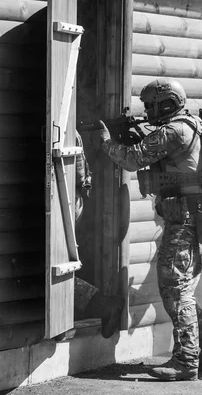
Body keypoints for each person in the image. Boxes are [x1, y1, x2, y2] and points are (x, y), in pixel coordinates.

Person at [91, 78, 202, 381]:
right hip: (192, 215)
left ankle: (186, 361)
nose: (150, 111)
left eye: (152, 106)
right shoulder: (191, 124)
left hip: (184, 218)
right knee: (179, 289)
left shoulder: (173, 130)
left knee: (176, 289)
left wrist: (105, 141)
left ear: (166, 103)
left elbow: (132, 159)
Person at [73, 131, 125, 339]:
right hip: (67, 202)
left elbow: (79, 173)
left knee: (50, 271)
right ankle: (102, 304)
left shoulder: (65, 129)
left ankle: (103, 304)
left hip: (61, 202)